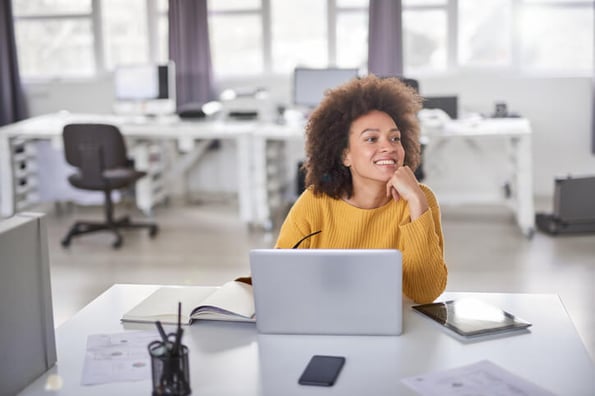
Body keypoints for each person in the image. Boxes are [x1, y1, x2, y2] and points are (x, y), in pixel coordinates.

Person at [275, 74, 447, 303]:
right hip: (325, 321)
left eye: (395, 138)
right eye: (371, 139)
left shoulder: (421, 199)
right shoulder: (314, 203)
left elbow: (426, 293)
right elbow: (278, 280)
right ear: (345, 154)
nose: (388, 147)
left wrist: (416, 201)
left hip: (395, 325)